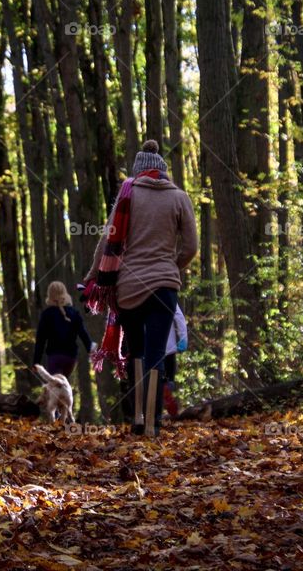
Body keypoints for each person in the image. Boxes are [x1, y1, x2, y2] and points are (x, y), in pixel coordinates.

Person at [82, 140, 198, 436]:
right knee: (157, 354)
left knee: (135, 351)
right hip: (164, 287)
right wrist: (171, 265)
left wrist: (93, 277)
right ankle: (152, 424)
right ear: (162, 171)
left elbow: (107, 242)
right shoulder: (180, 197)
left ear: (138, 172)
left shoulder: (127, 194)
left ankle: (136, 418)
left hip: (129, 288)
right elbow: (191, 247)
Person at [33, 281, 94, 378]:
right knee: (62, 384)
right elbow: (83, 334)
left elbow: (40, 340)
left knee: (55, 386)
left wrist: (36, 362)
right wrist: (90, 349)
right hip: (70, 358)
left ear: (50, 295)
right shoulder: (74, 313)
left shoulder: (47, 314)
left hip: (54, 356)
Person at [163, 304, 188, 417]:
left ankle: (156, 412)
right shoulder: (168, 290)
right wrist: (183, 339)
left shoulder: (142, 293)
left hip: (150, 349)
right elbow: (179, 317)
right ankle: (167, 394)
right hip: (168, 349)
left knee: (152, 380)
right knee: (168, 381)